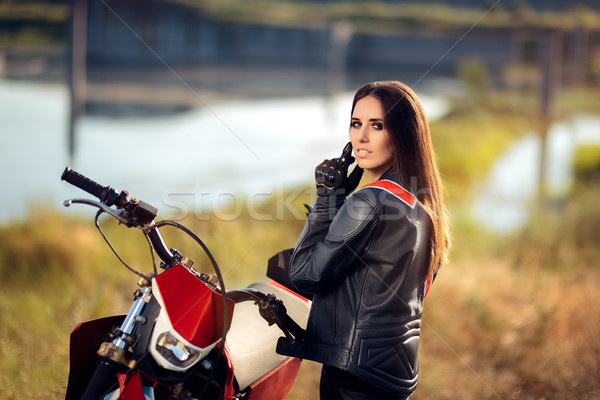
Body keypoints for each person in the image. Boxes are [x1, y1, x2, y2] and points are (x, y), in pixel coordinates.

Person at [280, 81, 451, 399]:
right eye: (356, 124)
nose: (360, 137)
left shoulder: (369, 200)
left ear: (402, 134)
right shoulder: (424, 204)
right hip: (396, 373)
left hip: (352, 375)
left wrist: (327, 200)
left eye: (377, 126)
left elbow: (303, 275)